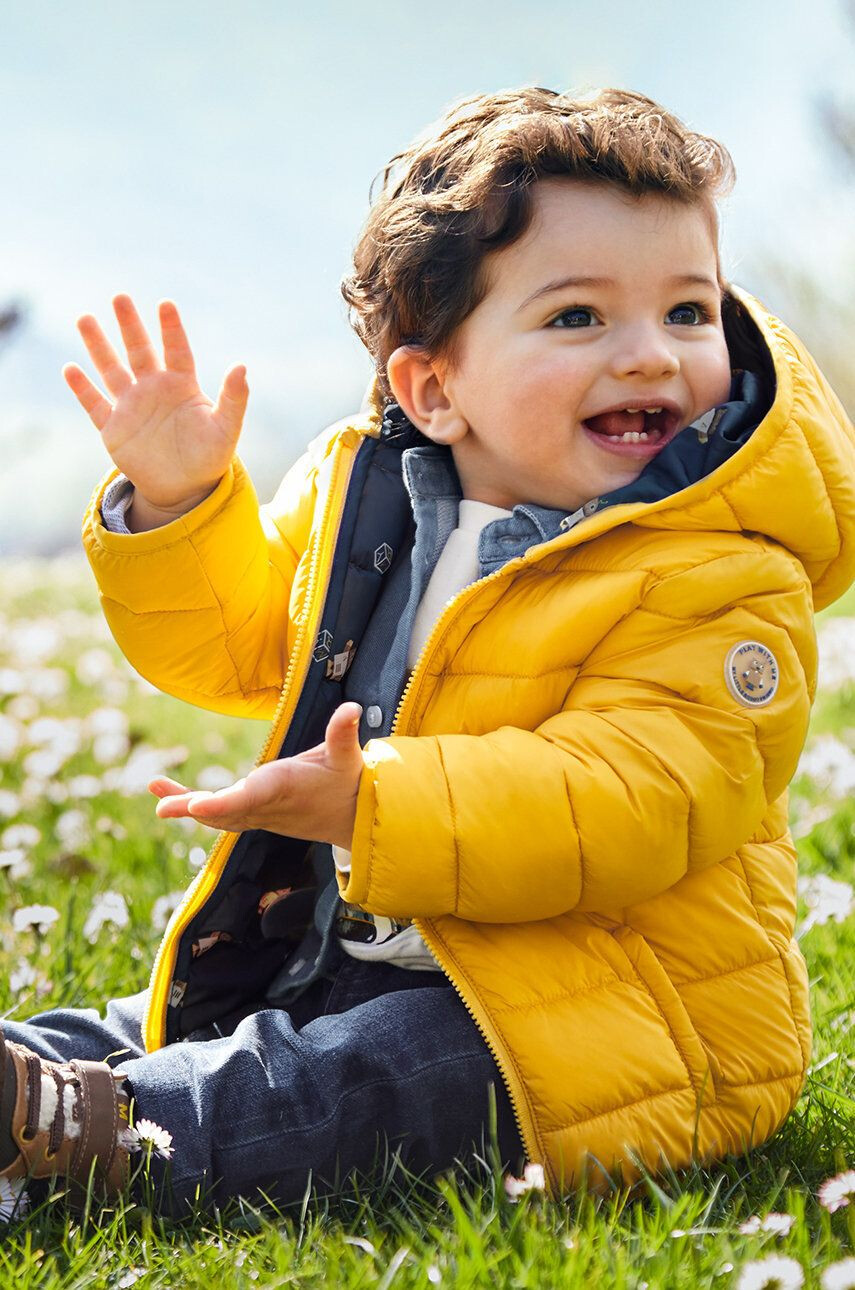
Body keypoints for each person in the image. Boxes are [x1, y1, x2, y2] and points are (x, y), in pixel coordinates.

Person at [2, 87, 853, 1215]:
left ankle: (87, 1145)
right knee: (140, 1028)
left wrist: (375, 805)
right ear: (435, 390)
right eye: (578, 319)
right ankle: (43, 1091)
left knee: (337, 1085)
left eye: (690, 312)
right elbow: (241, 647)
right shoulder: (376, 502)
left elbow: (632, 796)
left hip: (605, 1019)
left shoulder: (720, 573)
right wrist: (181, 506)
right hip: (363, 956)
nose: (652, 356)